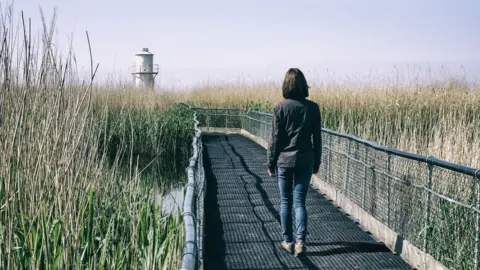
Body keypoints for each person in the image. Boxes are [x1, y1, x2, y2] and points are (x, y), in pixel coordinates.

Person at [267, 68, 322, 257]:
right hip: (306, 160)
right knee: (300, 202)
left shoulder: (280, 108)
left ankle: (288, 241)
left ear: (286, 85)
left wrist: (271, 163)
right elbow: (318, 138)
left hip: (284, 160)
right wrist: (317, 162)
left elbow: (275, 139)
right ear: (303, 85)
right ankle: (300, 242)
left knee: (285, 201)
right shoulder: (313, 108)